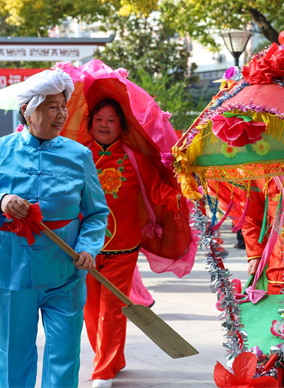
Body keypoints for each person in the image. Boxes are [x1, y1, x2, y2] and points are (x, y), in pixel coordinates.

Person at [0, 68, 109, 388]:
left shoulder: (79, 155)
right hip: (13, 272)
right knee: (14, 352)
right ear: (27, 109)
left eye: (63, 106)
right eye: (51, 106)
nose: (61, 114)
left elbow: (96, 214)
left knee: (65, 354)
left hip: (66, 273)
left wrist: (88, 248)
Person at [82, 98, 186, 388]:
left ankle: (102, 370)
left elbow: (157, 189)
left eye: (111, 120)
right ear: (90, 123)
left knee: (112, 308)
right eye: (99, 119)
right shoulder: (78, 156)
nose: (104, 124)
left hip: (123, 248)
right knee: (89, 309)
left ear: (121, 127)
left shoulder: (132, 158)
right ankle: (111, 358)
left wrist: (183, 198)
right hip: (85, 248)